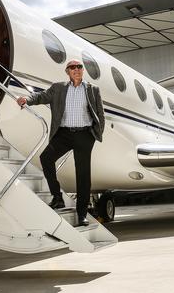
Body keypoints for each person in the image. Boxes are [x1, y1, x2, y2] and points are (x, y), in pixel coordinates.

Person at [16, 59, 104, 226]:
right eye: (72, 67)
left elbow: (100, 113)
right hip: (63, 133)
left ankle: (82, 214)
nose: (76, 70)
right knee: (46, 158)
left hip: (85, 135)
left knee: (83, 176)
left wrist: (95, 134)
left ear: (82, 71)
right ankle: (57, 197)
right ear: (67, 72)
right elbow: (41, 96)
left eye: (79, 67)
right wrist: (26, 99)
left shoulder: (92, 90)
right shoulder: (58, 88)